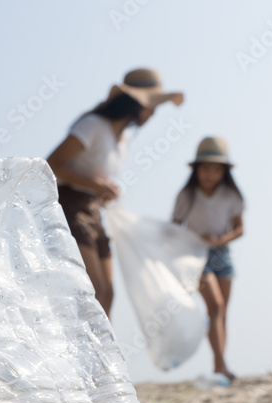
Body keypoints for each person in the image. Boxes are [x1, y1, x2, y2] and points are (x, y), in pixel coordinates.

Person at [47, 68, 183, 319]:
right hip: (69, 204)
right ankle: (82, 354)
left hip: (93, 209)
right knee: (94, 289)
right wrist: (97, 185)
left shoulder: (124, 138)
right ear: (133, 103)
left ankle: (98, 356)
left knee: (107, 293)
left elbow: (98, 179)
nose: (153, 113)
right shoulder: (93, 125)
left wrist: (104, 190)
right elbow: (52, 164)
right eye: (150, 106)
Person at [171, 137, 244, 381]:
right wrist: (194, 239)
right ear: (196, 170)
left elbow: (240, 228)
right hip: (195, 255)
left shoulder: (230, 195)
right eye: (205, 168)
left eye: (215, 169)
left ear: (223, 171)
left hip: (222, 253)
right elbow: (174, 228)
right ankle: (220, 364)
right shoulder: (187, 195)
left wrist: (221, 240)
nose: (209, 174)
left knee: (222, 312)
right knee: (216, 306)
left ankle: (220, 364)